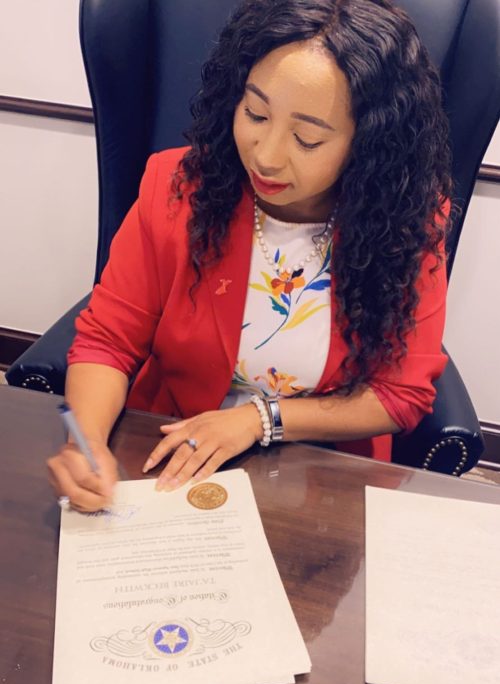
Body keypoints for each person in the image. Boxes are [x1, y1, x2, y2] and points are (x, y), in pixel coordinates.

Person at [47, 0, 452, 512]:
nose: (265, 154)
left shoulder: (409, 219)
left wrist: (258, 419)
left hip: (320, 481)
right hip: (168, 457)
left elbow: (401, 394)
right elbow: (107, 341)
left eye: (307, 139)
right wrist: (83, 443)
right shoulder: (179, 188)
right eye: (255, 113)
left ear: (368, 144)